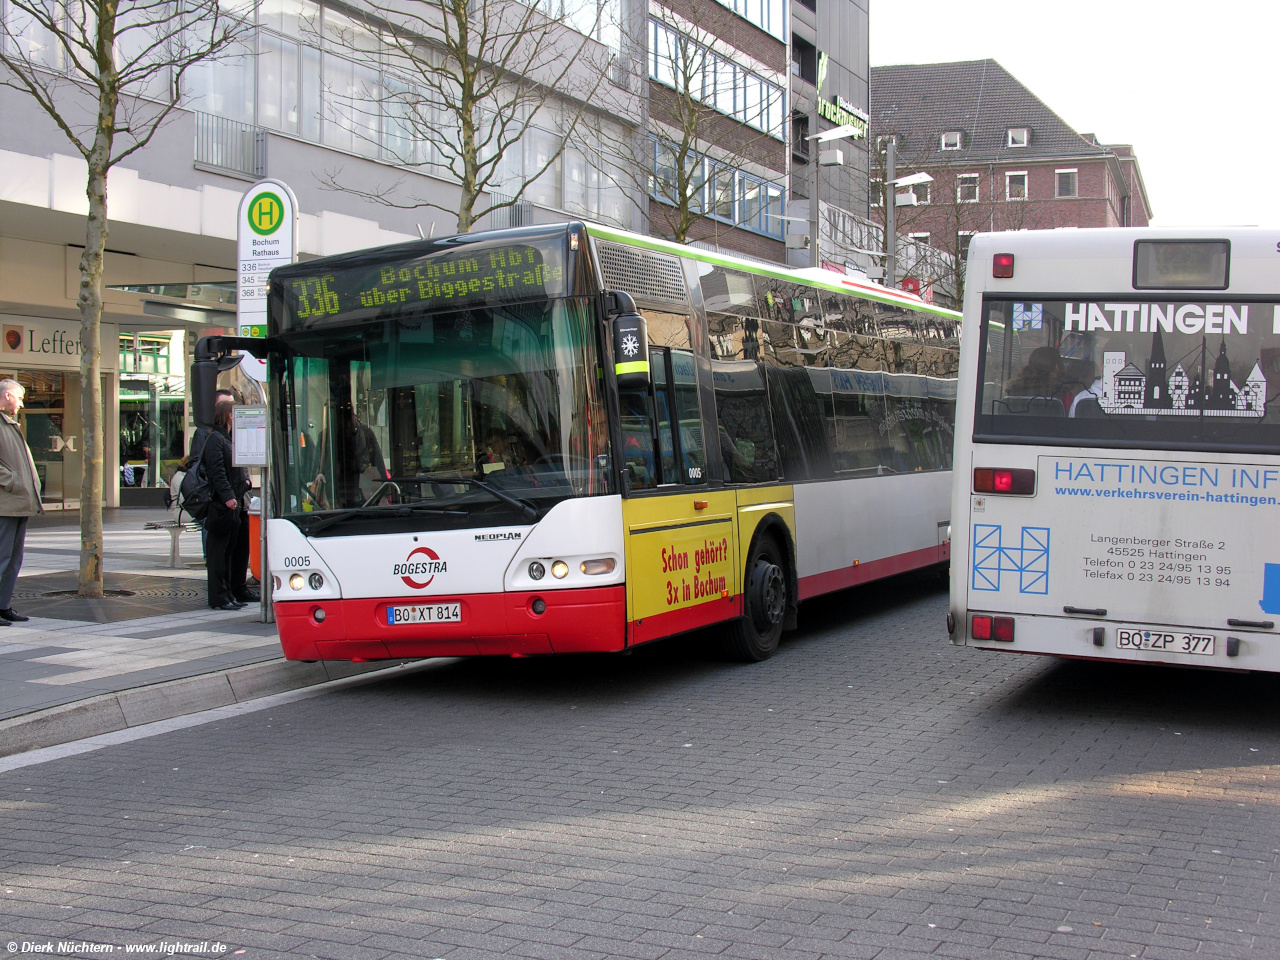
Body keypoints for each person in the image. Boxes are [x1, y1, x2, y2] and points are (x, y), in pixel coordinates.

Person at [201, 398, 255, 610]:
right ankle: (219, 596)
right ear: (230, 415)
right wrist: (227, 496)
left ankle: (230, 592)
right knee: (219, 553)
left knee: (231, 550)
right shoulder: (216, 439)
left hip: (235, 502)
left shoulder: (228, 439)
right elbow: (217, 471)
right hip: (224, 505)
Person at [0, 379, 41, 625]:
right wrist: (12, 481)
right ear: (6, 396)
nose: (22, 403)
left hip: (18, 502)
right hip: (6, 503)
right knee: (3, 557)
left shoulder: (9, 424)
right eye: (20, 397)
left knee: (14, 559)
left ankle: (3, 605)